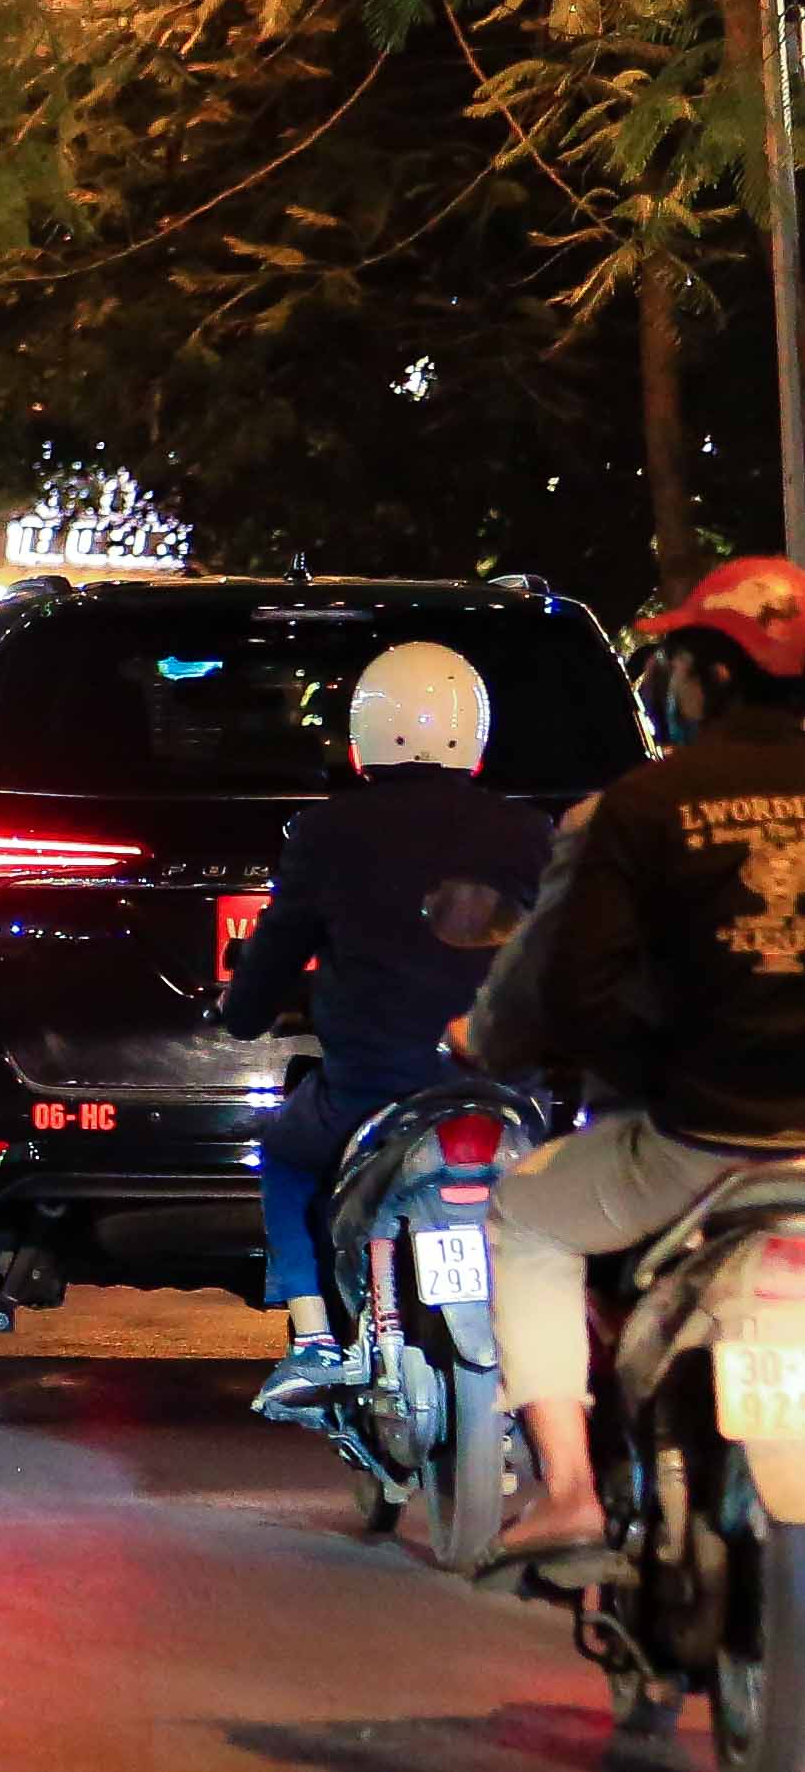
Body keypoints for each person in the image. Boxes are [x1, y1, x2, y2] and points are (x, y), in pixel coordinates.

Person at [466, 559, 805, 1564]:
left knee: (523, 1213)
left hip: (698, 1139)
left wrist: (652, 1069)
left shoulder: (645, 806)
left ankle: (569, 1487)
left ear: (705, 679)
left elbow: (568, 991)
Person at [218, 643, 555, 1418]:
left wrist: (242, 1013)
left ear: (362, 736)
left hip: (373, 1092)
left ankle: (311, 1342)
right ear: (473, 734)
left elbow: (276, 952)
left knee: (286, 1156)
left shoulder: (326, 833)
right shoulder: (529, 833)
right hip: (503, 1088)